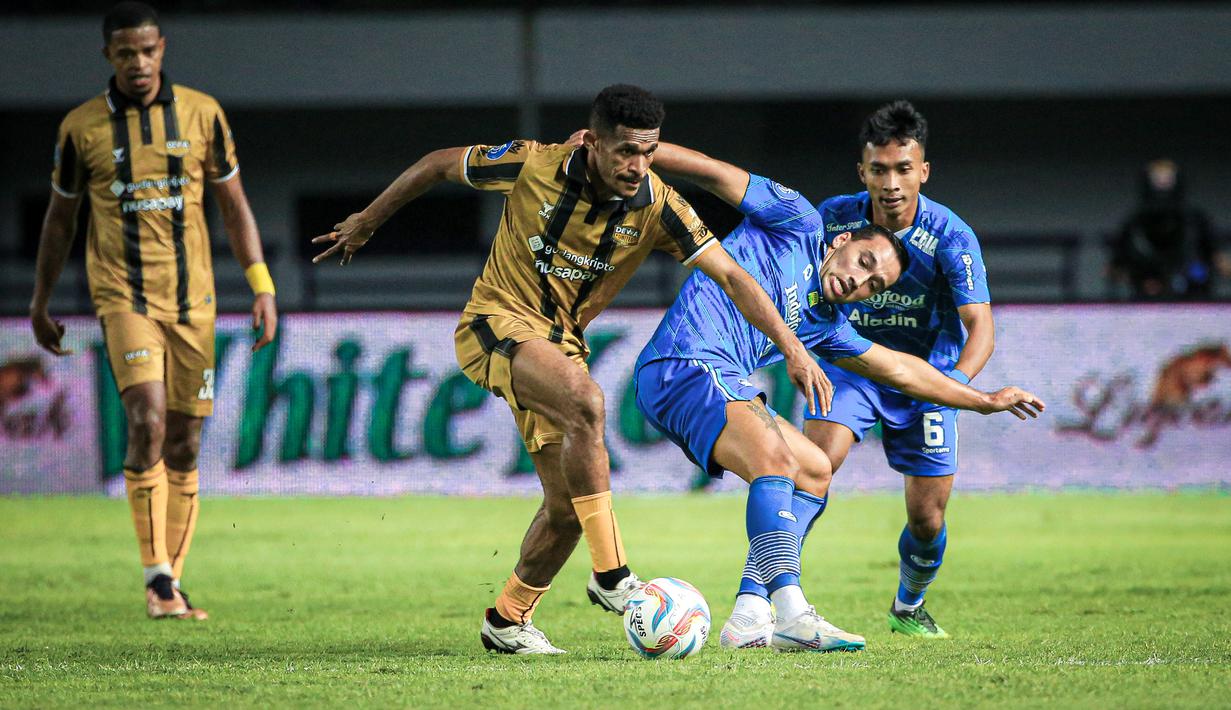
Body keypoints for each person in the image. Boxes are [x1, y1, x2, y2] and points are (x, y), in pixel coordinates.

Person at [311, 84, 831, 655]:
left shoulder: (658, 205)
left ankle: (508, 619)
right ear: (592, 143)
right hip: (496, 322)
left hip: (561, 348)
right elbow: (438, 164)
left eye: (648, 151)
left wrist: (793, 347)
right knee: (587, 402)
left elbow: (732, 276)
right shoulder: (532, 164)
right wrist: (368, 221)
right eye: (625, 151)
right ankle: (612, 575)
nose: (637, 166)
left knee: (566, 507)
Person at [636, 142, 1045, 652]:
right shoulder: (798, 221)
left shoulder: (828, 326)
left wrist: (982, 399)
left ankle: (749, 614)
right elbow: (715, 173)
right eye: (864, 262)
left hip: (716, 378)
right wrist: (641, 154)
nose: (859, 281)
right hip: (682, 364)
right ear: (843, 239)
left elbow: (901, 369)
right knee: (775, 460)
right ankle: (791, 611)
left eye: (874, 284)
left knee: (813, 468)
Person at [29, 2, 278, 620]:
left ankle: (171, 583)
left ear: (161, 48)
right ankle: (158, 578)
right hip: (123, 297)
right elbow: (60, 220)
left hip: (195, 303)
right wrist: (40, 300)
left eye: (147, 51)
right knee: (146, 419)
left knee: (186, 443)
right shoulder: (80, 128)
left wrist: (262, 285)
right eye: (125, 53)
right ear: (108, 56)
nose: (138, 63)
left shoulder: (202, 113)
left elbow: (234, 206)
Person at [801, 100, 993, 638]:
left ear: (923, 171)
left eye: (903, 169)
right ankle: (773, 594)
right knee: (812, 468)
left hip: (926, 379)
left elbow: (980, 325)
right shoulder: (834, 217)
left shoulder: (950, 235)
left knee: (927, 521)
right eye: (879, 169)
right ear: (861, 171)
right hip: (851, 367)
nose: (890, 183)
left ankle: (909, 605)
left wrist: (953, 387)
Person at [1108, 158, 1229, 300]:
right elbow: (1115, 269)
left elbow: (1219, 261)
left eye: (1167, 178)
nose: (1162, 183)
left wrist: (1204, 271)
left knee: (1198, 271)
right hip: (1147, 286)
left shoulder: (1194, 220)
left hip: (1192, 285)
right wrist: (1137, 278)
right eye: (1158, 178)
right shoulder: (1135, 222)